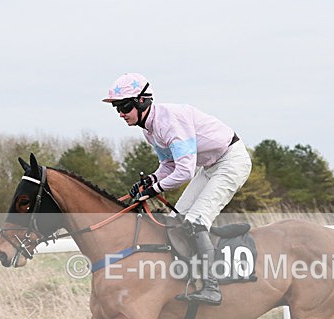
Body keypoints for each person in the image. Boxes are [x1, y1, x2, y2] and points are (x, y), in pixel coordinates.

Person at [102, 73, 252, 306]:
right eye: (117, 109)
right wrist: (150, 180)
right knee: (175, 221)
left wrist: (153, 190)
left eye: (125, 106)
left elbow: (184, 172)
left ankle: (212, 287)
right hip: (209, 166)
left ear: (142, 102)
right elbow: (168, 166)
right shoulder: (149, 130)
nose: (121, 113)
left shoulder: (169, 121)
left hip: (231, 161)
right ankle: (188, 277)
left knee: (194, 222)